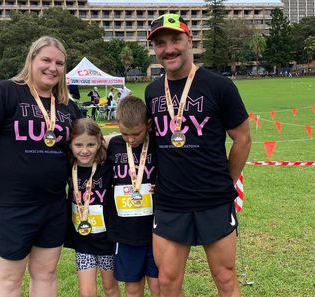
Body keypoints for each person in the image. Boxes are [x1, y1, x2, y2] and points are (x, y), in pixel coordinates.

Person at [144, 14, 251, 297]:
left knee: (225, 278)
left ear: (190, 40)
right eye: (160, 43)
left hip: (213, 199)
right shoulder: (152, 91)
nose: (169, 49)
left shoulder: (219, 86)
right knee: (167, 281)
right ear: (154, 48)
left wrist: (226, 180)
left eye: (176, 40)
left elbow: (242, 138)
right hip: (169, 202)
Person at [0, 36, 82, 297]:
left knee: (46, 274)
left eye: (59, 63)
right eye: (46, 60)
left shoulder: (66, 106)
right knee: (9, 280)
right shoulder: (6, 91)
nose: (53, 67)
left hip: (53, 205)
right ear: (31, 60)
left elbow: (89, 142)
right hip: (12, 205)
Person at [107, 96, 160, 297]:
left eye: (136, 133)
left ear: (148, 124)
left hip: (157, 229)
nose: (130, 139)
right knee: (133, 288)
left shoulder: (158, 144)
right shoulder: (113, 145)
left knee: (158, 286)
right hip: (126, 232)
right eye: (124, 133)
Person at [65, 117, 120, 297]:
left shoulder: (108, 165)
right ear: (70, 145)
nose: (84, 150)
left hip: (107, 240)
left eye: (90, 144)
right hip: (83, 239)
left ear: (99, 143)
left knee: (110, 287)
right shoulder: (67, 166)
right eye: (78, 145)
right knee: (86, 292)